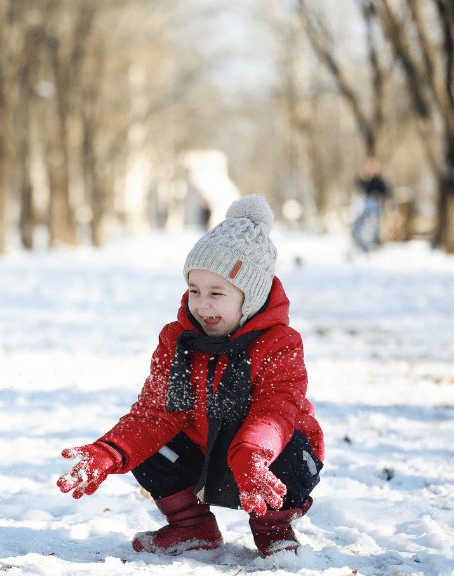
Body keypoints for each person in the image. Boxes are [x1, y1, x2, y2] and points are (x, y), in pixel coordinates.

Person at [56, 195, 325, 558]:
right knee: (148, 444)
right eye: (194, 290)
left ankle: (273, 529)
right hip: (204, 447)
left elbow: (275, 411)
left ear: (253, 295)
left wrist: (251, 454)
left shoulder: (280, 344)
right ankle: (192, 527)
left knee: (289, 446)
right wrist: (110, 451)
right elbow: (155, 412)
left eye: (217, 293)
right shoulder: (178, 341)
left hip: (264, 454)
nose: (202, 304)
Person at [353, 159, 390, 251]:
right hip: (366, 204)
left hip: (376, 204)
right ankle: (359, 241)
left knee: (375, 224)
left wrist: (382, 197)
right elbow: (359, 185)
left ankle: (374, 242)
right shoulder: (366, 179)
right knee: (363, 223)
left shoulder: (379, 180)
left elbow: (386, 192)